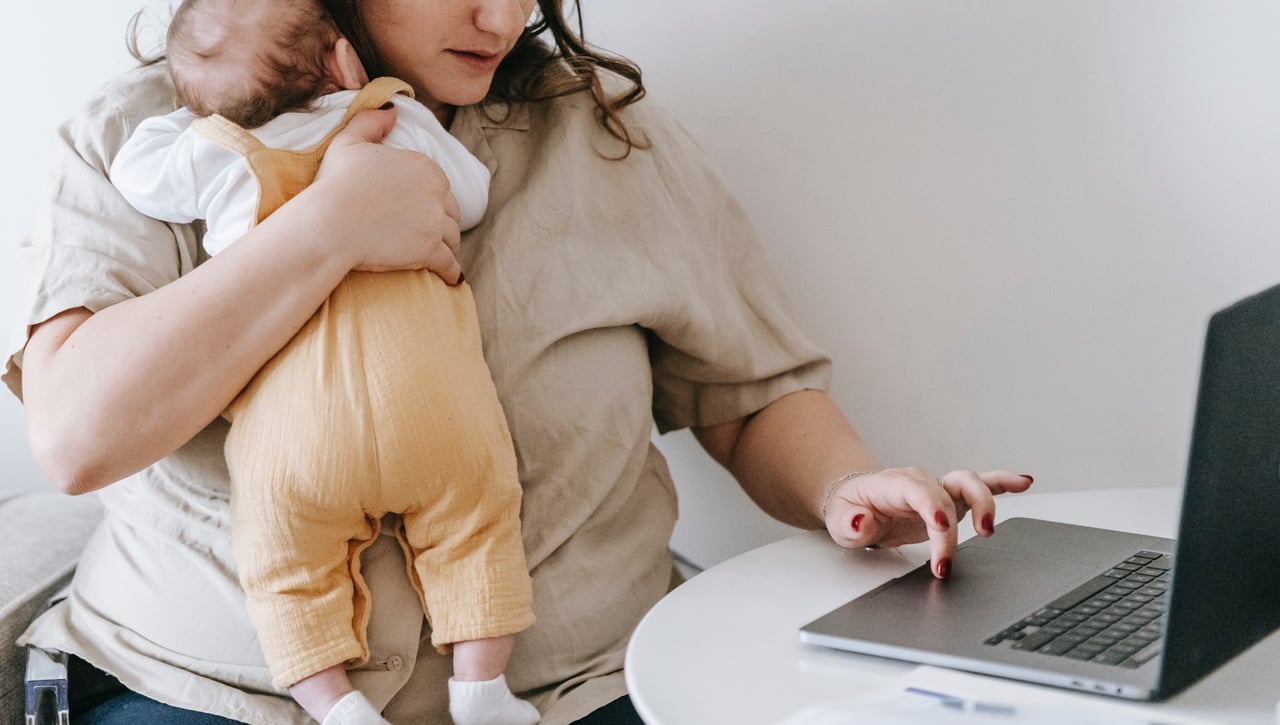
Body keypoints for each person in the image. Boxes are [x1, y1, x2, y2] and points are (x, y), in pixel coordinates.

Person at [6, 0, 1035, 723]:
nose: (501, 18)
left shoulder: (605, 140)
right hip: (210, 691)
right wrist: (325, 229)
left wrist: (843, 486)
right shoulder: (152, 133)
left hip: (580, 688)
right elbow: (78, 434)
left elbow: (745, 392)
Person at [103, 1, 541, 724]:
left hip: (295, 430)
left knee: (283, 567)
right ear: (343, 60)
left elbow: (138, 173)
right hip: (430, 402)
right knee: (479, 523)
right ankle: (482, 689)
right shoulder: (392, 117)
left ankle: (335, 705)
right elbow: (468, 196)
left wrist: (194, 115)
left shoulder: (218, 153)